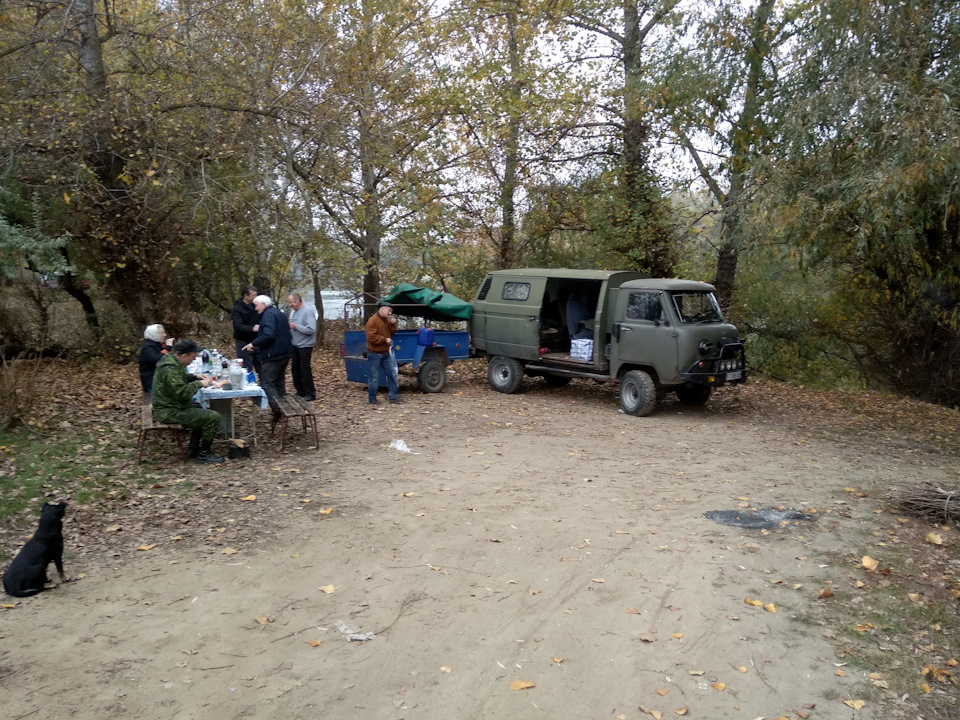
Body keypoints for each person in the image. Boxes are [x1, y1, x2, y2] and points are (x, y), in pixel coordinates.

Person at [152, 339, 225, 464]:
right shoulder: (170, 368)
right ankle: (204, 454)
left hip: (170, 406)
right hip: (168, 411)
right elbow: (182, 393)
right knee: (213, 417)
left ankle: (193, 449)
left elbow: (178, 380)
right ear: (184, 355)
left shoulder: (172, 360)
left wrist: (194, 377)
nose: (194, 360)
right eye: (193, 357)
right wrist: (199, 383)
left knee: (199, 410)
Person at [242, 295, 293, 422]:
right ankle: (283, 411)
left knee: (267, 384)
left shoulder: (268, 315)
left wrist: (253, 344)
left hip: (273, 356)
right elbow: (278, 335)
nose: (255, 308)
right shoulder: (279, 313)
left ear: (264, 304)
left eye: (256, 305)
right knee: (279, 383)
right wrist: (259, 348)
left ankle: (278, 410)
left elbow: (269, 335)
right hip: (284, 353)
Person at [365, 302, 403, 405]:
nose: (390, 313)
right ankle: (372, 398)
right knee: (374, 377)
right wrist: (384, 340)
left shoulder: (386, 320)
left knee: (392, 374)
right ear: (382, 309)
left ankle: (393, 397)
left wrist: (392, 324)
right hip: (374, 353)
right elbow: (371, 337)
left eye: (391, 311)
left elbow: (392, 332)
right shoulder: (372, 321)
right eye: (389, 311)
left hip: (385, 353)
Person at [287, 292, 317, 401]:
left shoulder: (307, 311)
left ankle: (310, 393)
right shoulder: (294, 312)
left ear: (297, 301)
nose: (290, 305)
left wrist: (296, 326)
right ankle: (300, 391)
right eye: (289, 302)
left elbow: (311, 329)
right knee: (295, 369)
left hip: (305, 345)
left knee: (304, 369)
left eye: (291, 302)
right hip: (295, 344)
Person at [232, 285, 261, 377]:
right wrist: (251, 328)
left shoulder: (256, 306)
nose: (255, 298)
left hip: (256, 341)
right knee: (246, 370)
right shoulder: (237, 308)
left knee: (262, 369)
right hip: (243, 342)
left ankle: (264, 389)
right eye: (253, 295)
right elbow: (237, 326)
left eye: (256, 295)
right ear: (246, 296)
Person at [139, 324, 174, 398]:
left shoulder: (158, 345)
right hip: (151, 381)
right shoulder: (147, 347)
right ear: (154, 334)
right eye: (162, 333)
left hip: (160, 379)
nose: (164, 335)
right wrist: (168, 348)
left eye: (164, 332)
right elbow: (157, 360)